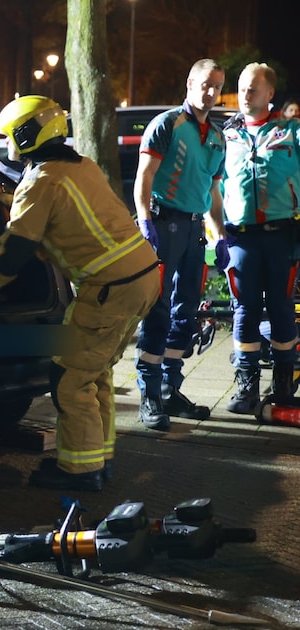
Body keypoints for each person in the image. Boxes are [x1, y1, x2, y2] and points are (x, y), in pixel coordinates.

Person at [0, 96, 160, 492]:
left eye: (10, 136)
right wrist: (17, 205)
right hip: (141, 276)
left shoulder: (41, 181)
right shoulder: (80, 166)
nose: (7, 144)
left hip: (110, 288)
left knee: (69, 378)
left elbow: (12, 257)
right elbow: (70, 220)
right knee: (96, 373)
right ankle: (99, 459)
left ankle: (79, 472)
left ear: (26, 135)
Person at [133, 58, 227, 431]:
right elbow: (145, 175)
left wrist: (220, 236)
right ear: (190, 83)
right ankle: (149, 394)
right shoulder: (167, 124)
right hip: (164, 224)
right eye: (205, 83)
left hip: (193, 231)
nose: (211, 92)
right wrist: (144, 221)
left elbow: (213, 193)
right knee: (157, 311)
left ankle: (171, 388)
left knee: (185, 312)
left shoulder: (217, 138)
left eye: (217, 86)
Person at [220, 63, 300, 413]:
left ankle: (284, 384)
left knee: (282, 309)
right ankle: (246, 386)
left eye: (253, 88)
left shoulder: (290, 133)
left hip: (283, 236)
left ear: (270, 94)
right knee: (244, 310)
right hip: (241, 240)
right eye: (241, 88)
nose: (245, 95)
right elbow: (208, 183)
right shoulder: (226, 136)